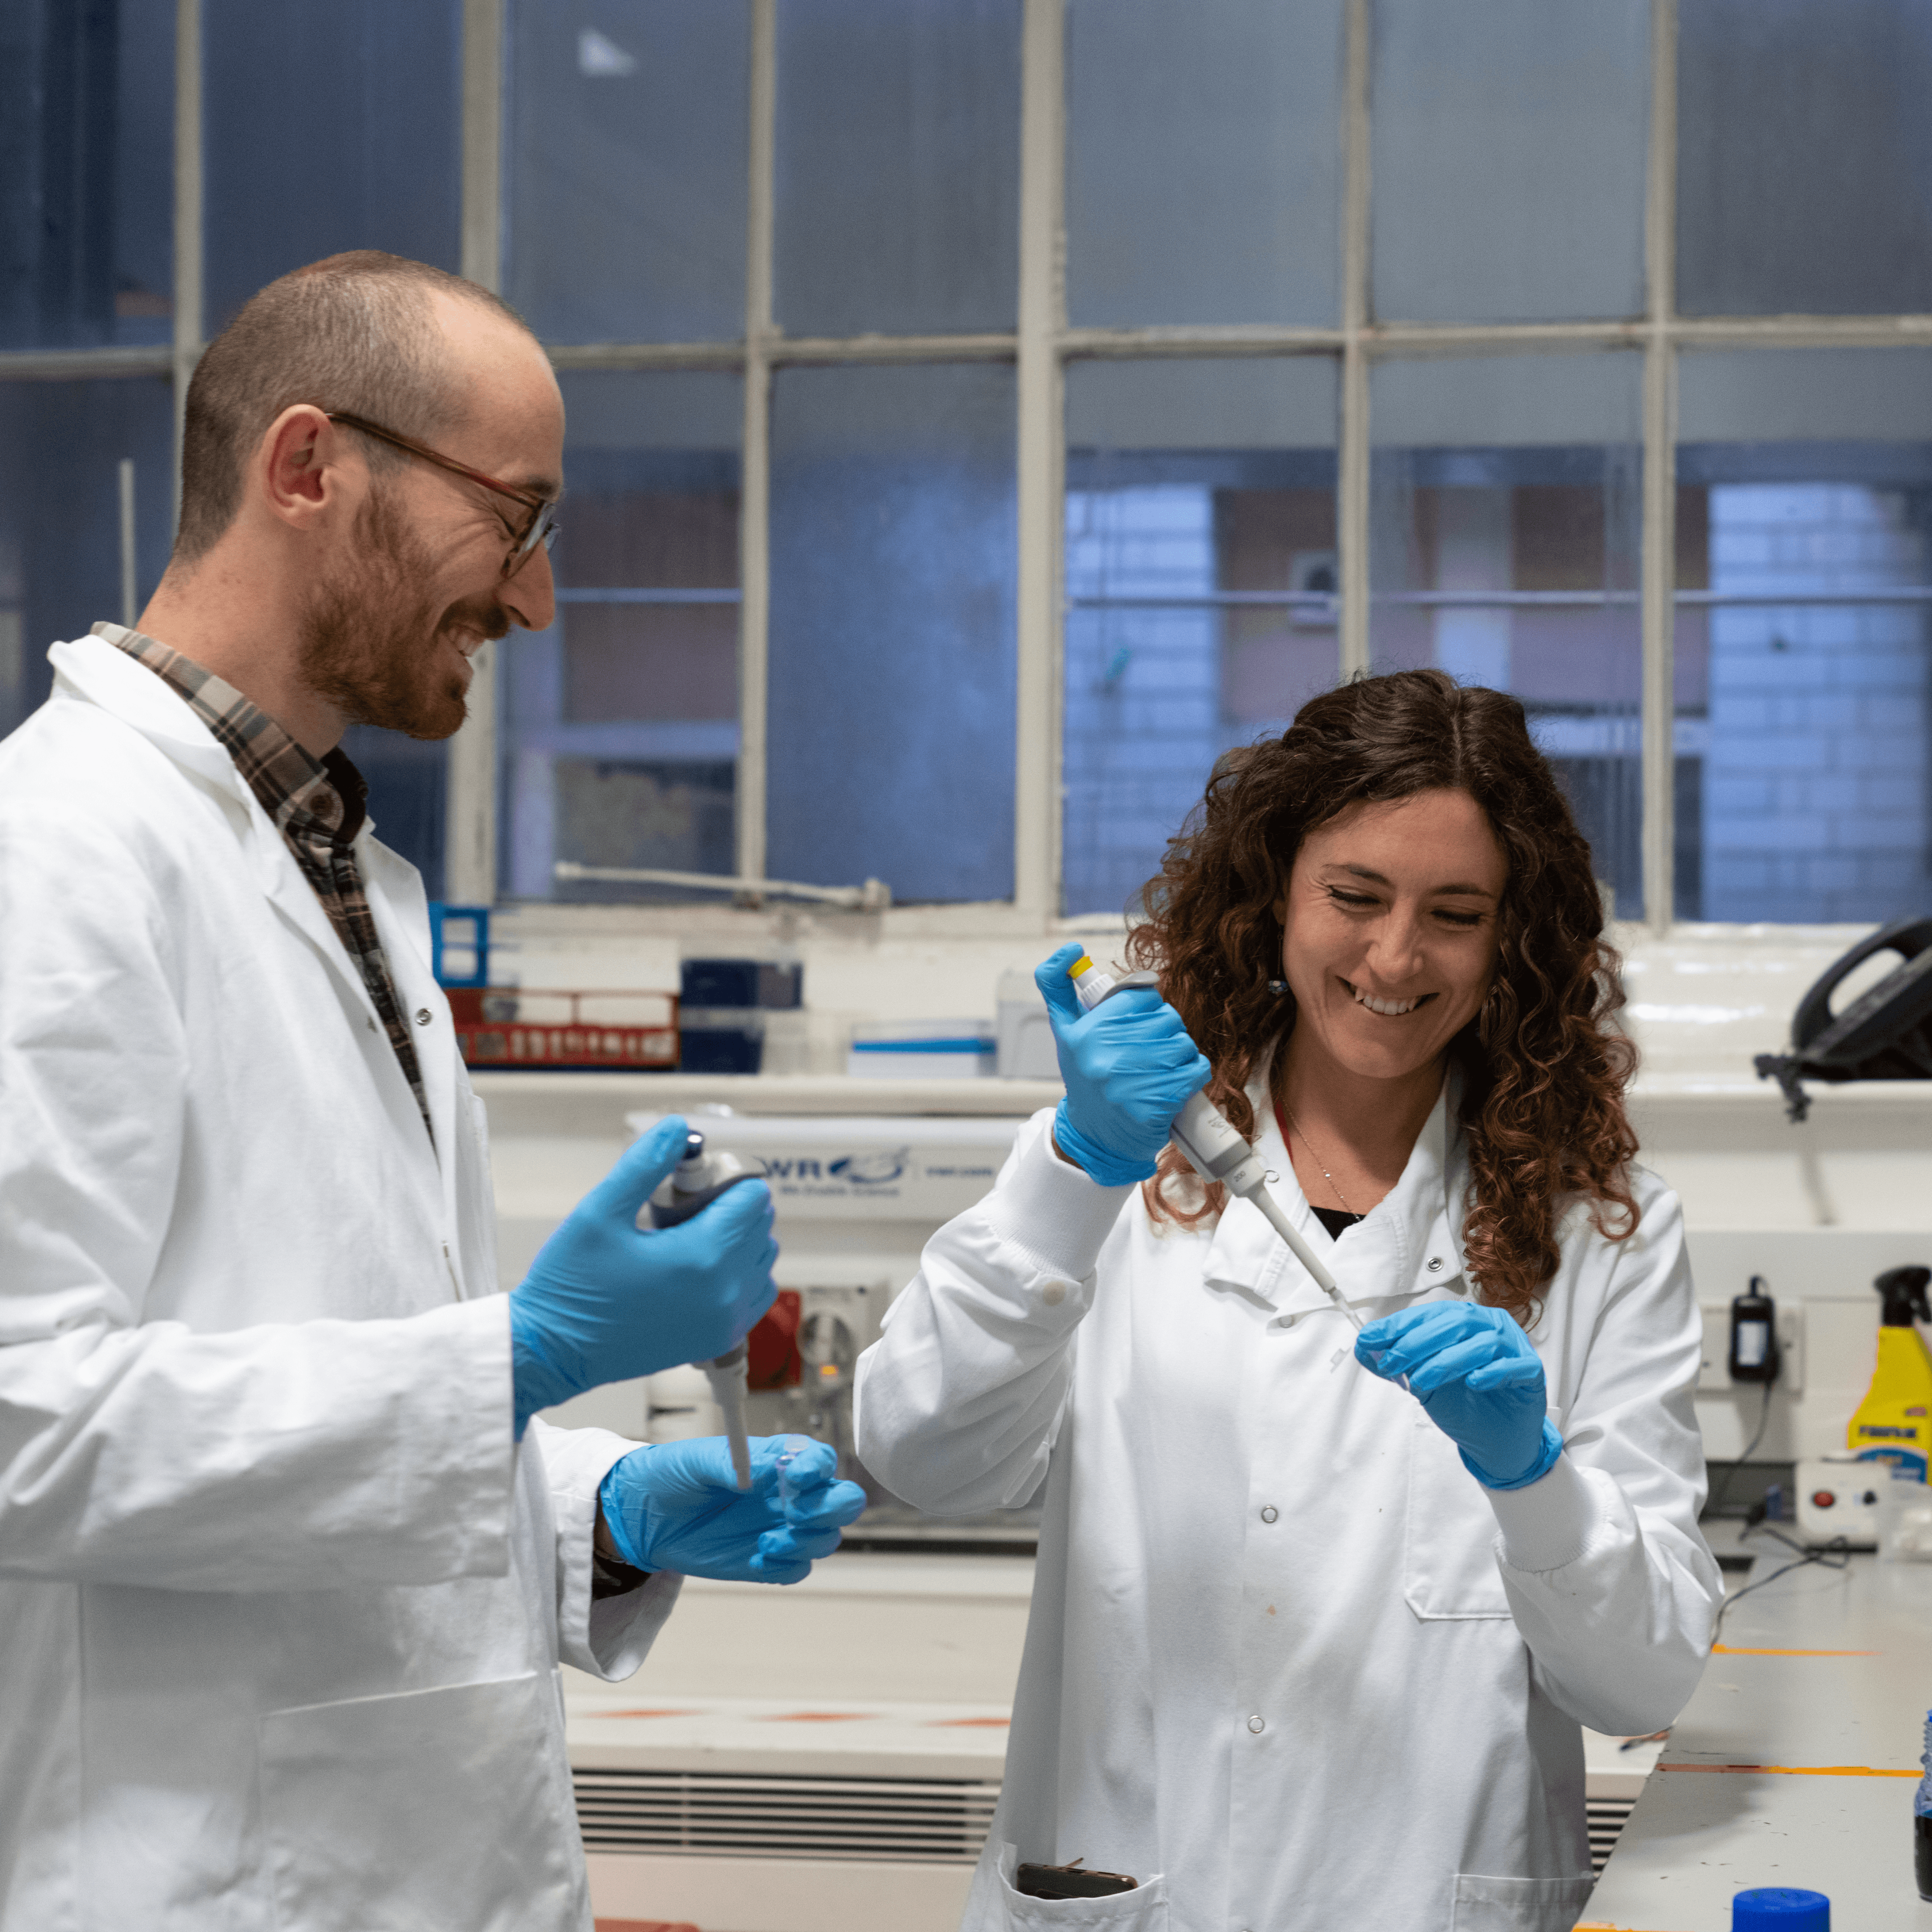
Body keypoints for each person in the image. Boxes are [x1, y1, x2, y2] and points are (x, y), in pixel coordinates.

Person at [0, 252, 863, 1932]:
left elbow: (326, 1369)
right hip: (192, 1876)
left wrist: (593, 1508)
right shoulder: (55, 854)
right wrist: (519, 1356)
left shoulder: (344, 873)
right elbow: (28, 1428)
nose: (535, 601)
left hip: (413, 1858)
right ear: (308, 469)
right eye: (513, 519)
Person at [857, 670, 1722, 1932]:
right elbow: (920, 1453)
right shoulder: (1116, 1168)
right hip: (1135, 1885)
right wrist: (1074, 1172)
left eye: (1456, 913)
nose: (1393, 956)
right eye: (1354, 896)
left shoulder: (1598, 1227)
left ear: (1515, 940)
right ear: (1275, 896)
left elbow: (1643, 1677)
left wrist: (1532, 1479)